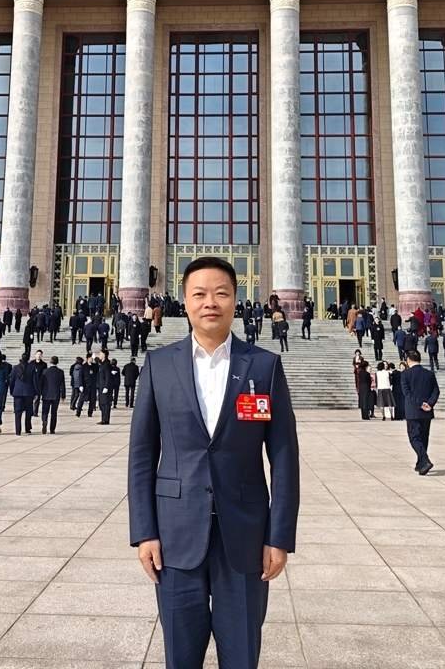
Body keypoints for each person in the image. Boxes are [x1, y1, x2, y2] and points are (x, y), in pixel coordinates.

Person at [129, 256, 299, 669]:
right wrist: (144, 532)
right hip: (174, 537)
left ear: (235, 300)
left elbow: (284, 458)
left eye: (221, 293)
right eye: (199, 294)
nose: (210, 302)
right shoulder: (159, 365)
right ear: (184, 301)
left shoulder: (263, 366)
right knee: (180, 656)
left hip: (244, 537)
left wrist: (279, 537)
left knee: (241, 654)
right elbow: (142, 455)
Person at [400, 349, 439, 475]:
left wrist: (420, 404)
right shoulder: (429, 373)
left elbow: (407, 393)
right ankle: (420, 463)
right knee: (424, 437)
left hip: (413, 411)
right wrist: (429, 403)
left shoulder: (405, 374)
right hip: (427, 411)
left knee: (414, 438)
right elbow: (436, 391)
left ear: (408, 360)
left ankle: (425, 461)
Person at [10, 352, 36, 435]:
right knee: (28, 411)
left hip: (17, 392)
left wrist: (12, 391)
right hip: (29, 392)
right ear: (28, 359)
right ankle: (27, 428)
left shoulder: (15, 368)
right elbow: (34, 381)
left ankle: (18, 431)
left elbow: (12, 380)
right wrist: (36, 392)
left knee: (18, 412)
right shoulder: (32, 367)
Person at [41, 355, 66, 433]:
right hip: (56, 394)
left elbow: (41, 383)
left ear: (50, 362)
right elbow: (62, 384)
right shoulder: (60, 372)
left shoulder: (45, 371)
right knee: (54, 412)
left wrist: (40, 392)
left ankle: (44, 421)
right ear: (57, 362)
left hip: (46, 394)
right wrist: (63, 395)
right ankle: (52, 429)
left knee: (45, 411)